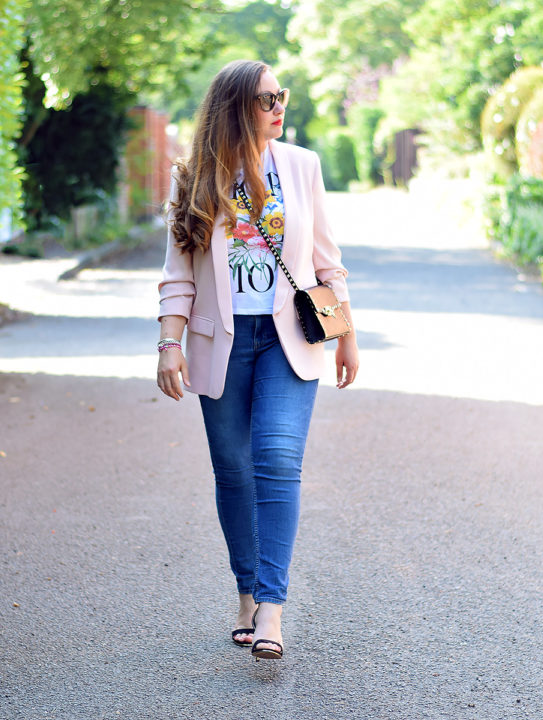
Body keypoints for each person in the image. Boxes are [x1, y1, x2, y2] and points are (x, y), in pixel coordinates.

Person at [156, 59, 359, 660]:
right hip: (220, 340)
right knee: (233, 470)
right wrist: (169, 344)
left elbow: (326, 258)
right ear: (237, 106)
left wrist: (346, 332)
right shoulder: (191, 176)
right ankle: (246, 592)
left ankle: (271, 608)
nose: (280, 108)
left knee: (276, 456)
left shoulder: (301, 166)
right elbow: (178, 275)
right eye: (269, 99)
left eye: (282, 96)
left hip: (286, 338)